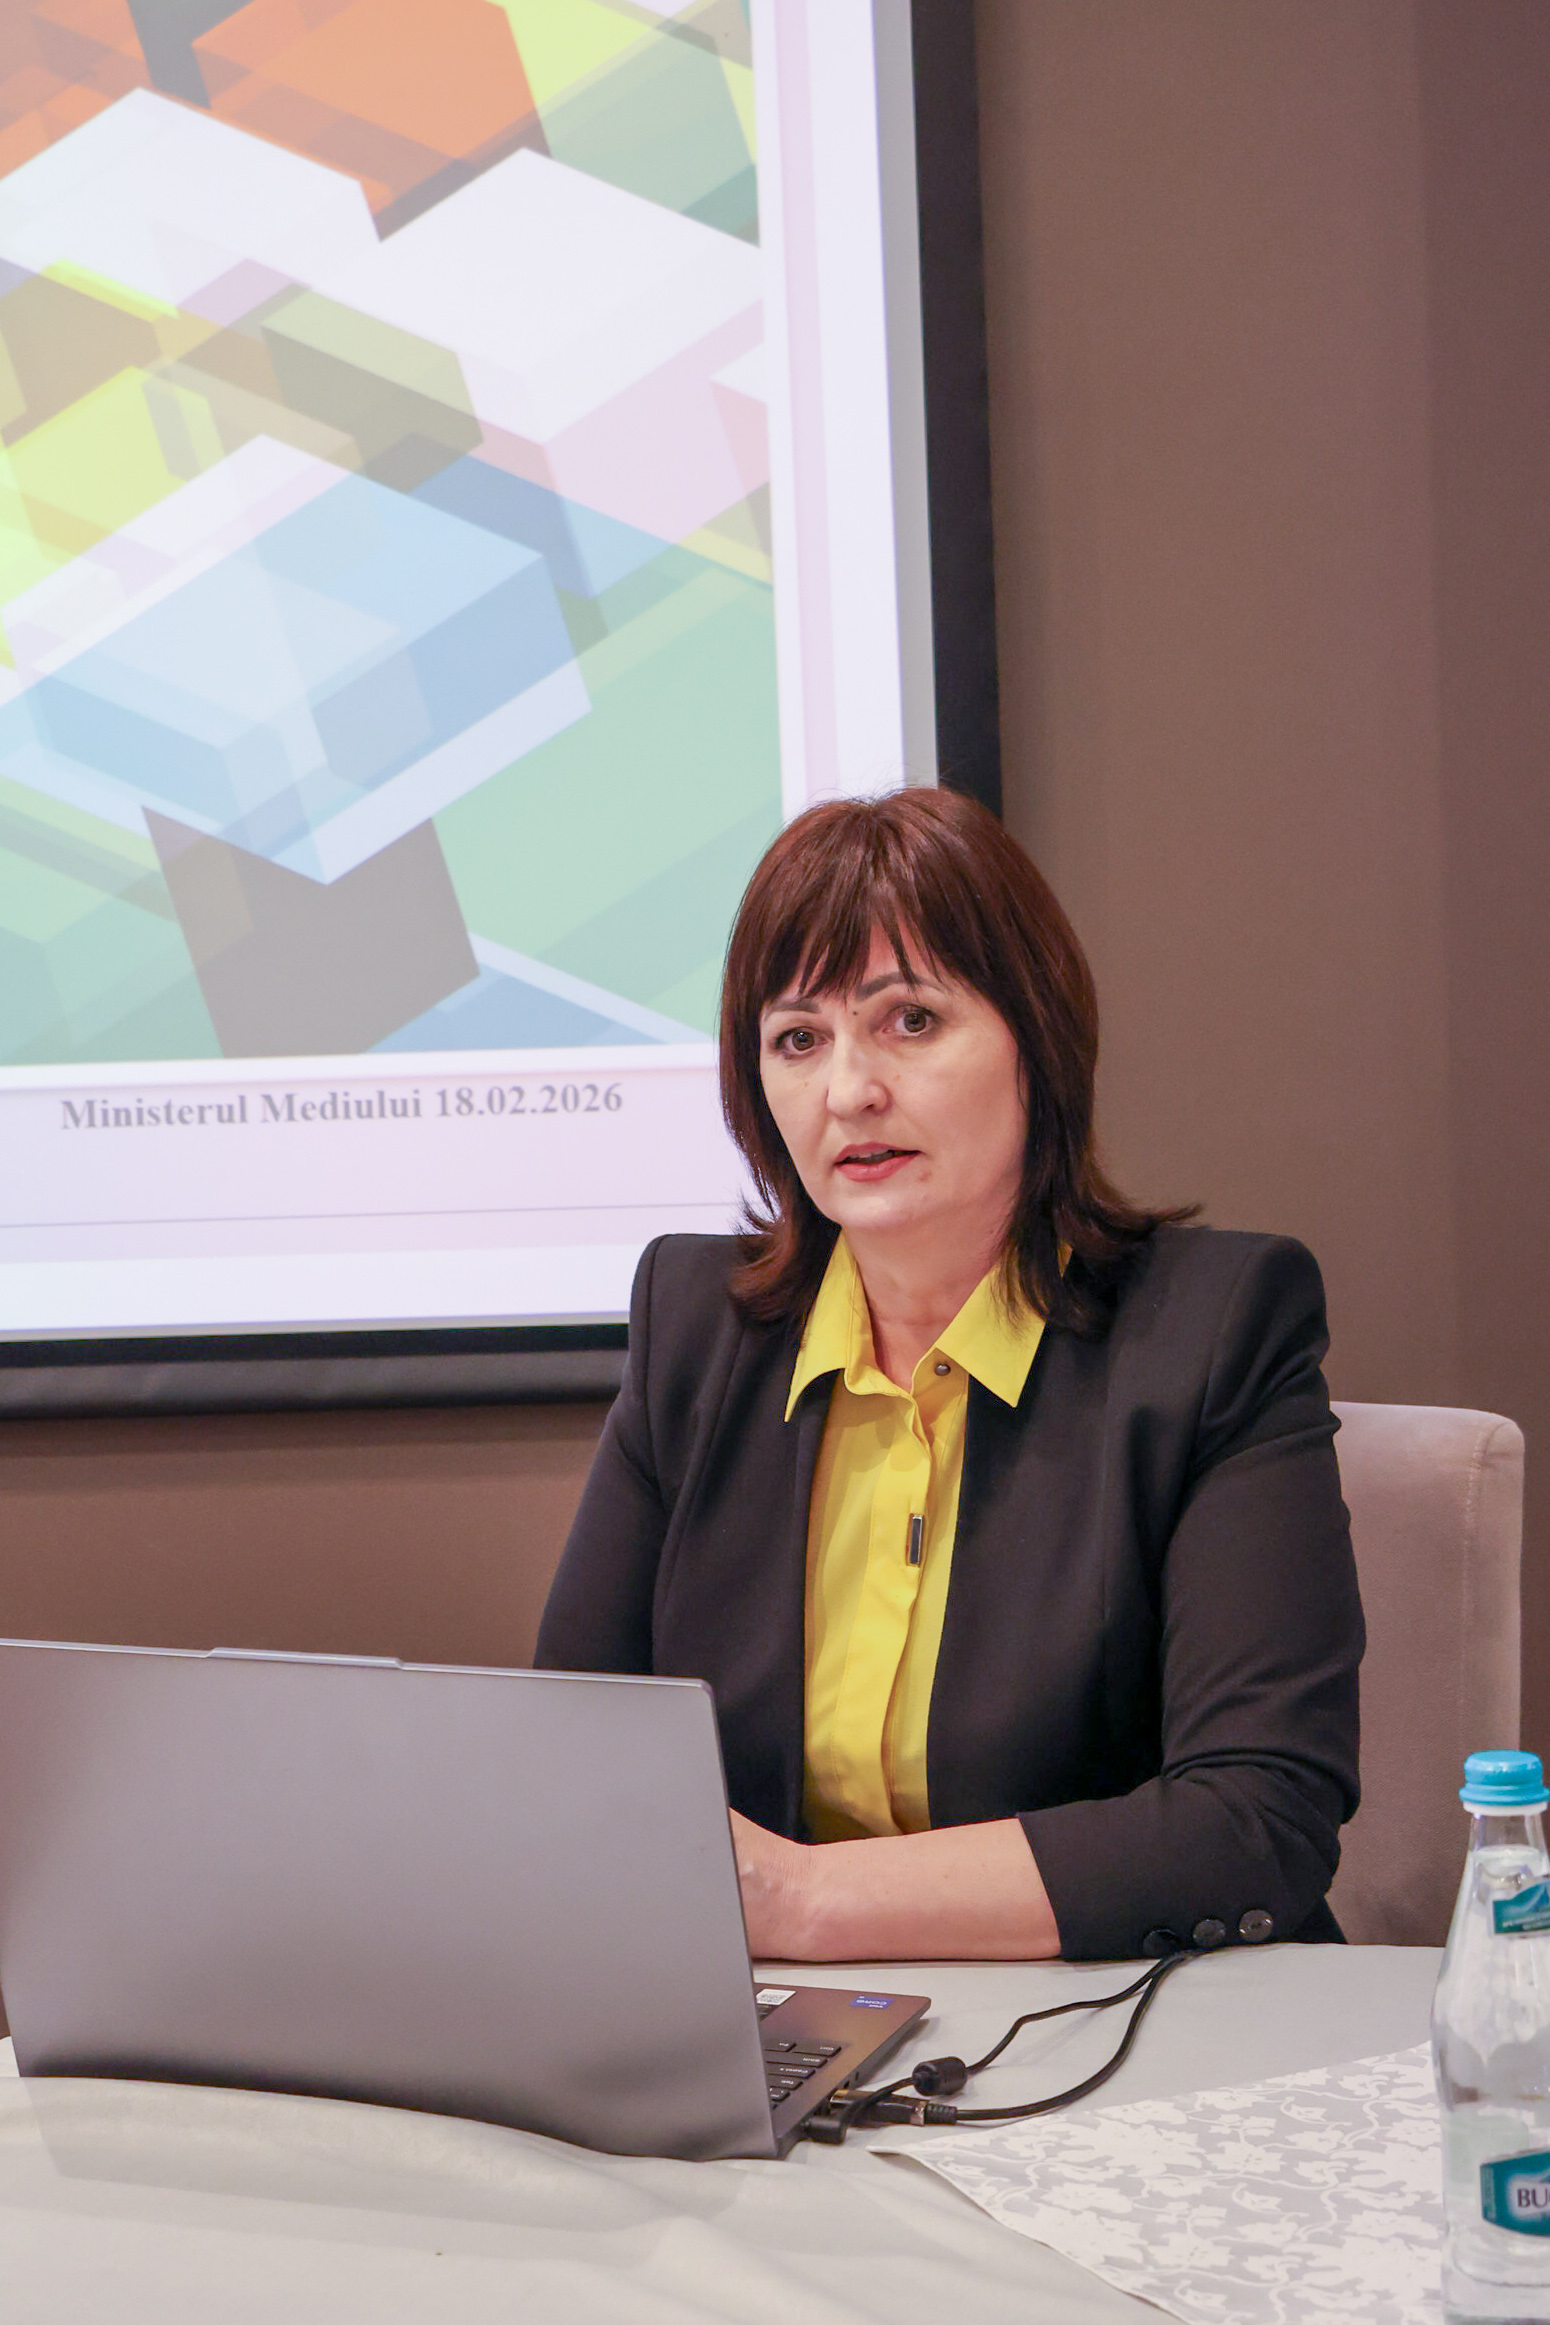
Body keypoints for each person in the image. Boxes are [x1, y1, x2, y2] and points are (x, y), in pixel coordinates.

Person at [535, 790, 1363, 1963]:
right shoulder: (696, 1329)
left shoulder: (1215, 1331)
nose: (848, 1091)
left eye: (910, 1020)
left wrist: (801, 1899)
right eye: (797, 1039)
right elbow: (568, 1756)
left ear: (1037, 1041)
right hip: (780, 2023)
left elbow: (1254, 1820)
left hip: (1128, 2011)